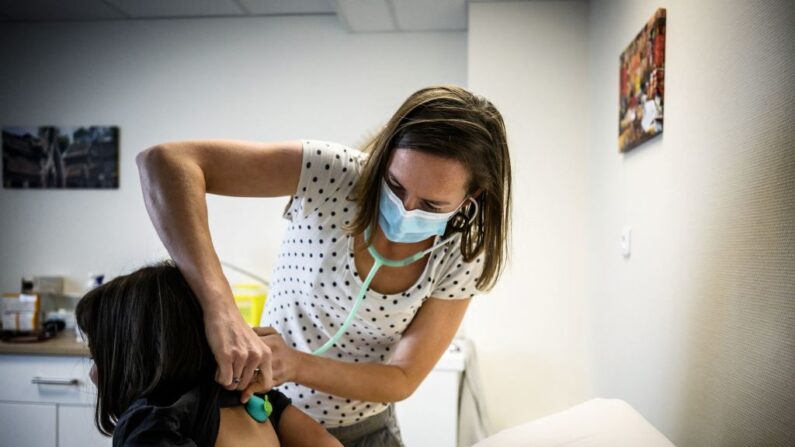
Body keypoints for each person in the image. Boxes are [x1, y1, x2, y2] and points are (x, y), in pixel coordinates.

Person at [136, 84, 512, 445]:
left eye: (432, 206)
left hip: (365, 430)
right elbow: (166, 161)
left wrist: (296, 364)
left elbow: (402, 377)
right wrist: (220, 309)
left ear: (472, 195)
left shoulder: (462, 251)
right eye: (394, 186)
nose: (405, 210)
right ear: (383, 157)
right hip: (266, 417)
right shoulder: (333, 173)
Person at [75, 260, 342, 447]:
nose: (93, 374)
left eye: (96, 358)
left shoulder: (154, 421)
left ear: (136, 356)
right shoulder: (249, 394)